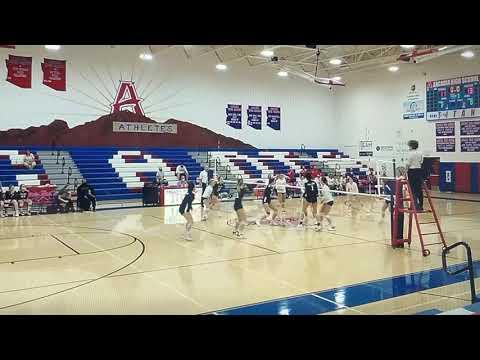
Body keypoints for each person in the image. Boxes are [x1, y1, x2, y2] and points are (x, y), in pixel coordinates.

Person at [406, 140, 424, 211]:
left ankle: (414, 206)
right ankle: (420, 206)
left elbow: (408, 164)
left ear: (411, 146)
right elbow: (421, 162)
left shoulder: (410, 154)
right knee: (419, 189)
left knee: (412, 190)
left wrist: (405, 172)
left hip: (412, 171)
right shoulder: (420, 153)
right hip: (419, 171)